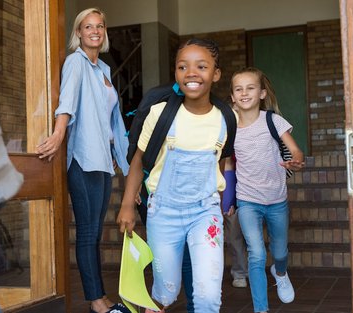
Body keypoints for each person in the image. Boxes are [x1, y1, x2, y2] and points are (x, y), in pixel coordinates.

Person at [117, 38, 231, 313]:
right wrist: (127, 205)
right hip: (163, 213)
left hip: (206, 213)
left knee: (207, 295)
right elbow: (138, 161)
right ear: (176, 73)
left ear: (215, 74)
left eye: (201, 66)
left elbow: (222, 163)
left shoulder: (226, 118)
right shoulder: (161, 113)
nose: (191, 72)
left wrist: (224, 202)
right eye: (183, 66)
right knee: (164, 292)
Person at [36, 7, 131, 313]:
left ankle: (100, 297)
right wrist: (58, 134)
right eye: (88, 27)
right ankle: (97, 301)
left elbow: (109, 118)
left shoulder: (102, 68)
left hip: (102, 159)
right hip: (83, 158)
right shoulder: (76, 63)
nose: (95, 31)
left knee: (95, 232)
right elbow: (67, 101)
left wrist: (116, 152)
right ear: (78, 32)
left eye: (100, 26)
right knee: (88, 233)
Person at [230, 67, 305, 313]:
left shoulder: (273, 120)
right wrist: (228, 198)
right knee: (257, 254)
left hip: (276, 200)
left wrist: (295, 159)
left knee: (280, 252)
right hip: (247, 201)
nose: (244, 93)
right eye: (238, 89)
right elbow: (228, 164)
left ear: (262, 93)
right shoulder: (229, 127)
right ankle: (261, 309)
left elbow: (295, 150)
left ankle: (280, 272)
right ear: (232, 96)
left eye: (250, 88)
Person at [222, 158, 249, 289]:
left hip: (247, 191)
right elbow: (227, 164)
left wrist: (231, 201)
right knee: (233, 236)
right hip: (221, 189)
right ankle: (240, 274)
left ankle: (242, 273)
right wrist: (227, 201)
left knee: (238, 235)